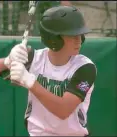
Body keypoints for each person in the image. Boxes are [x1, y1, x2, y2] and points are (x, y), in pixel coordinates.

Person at [9, 6, 97, 136]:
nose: (79, 40)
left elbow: (63, 110)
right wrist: (8, 60)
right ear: (53, 38)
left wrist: (30, 82)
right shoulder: (34, 58)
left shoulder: (85, 68)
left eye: (80, 35)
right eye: (72, 35)